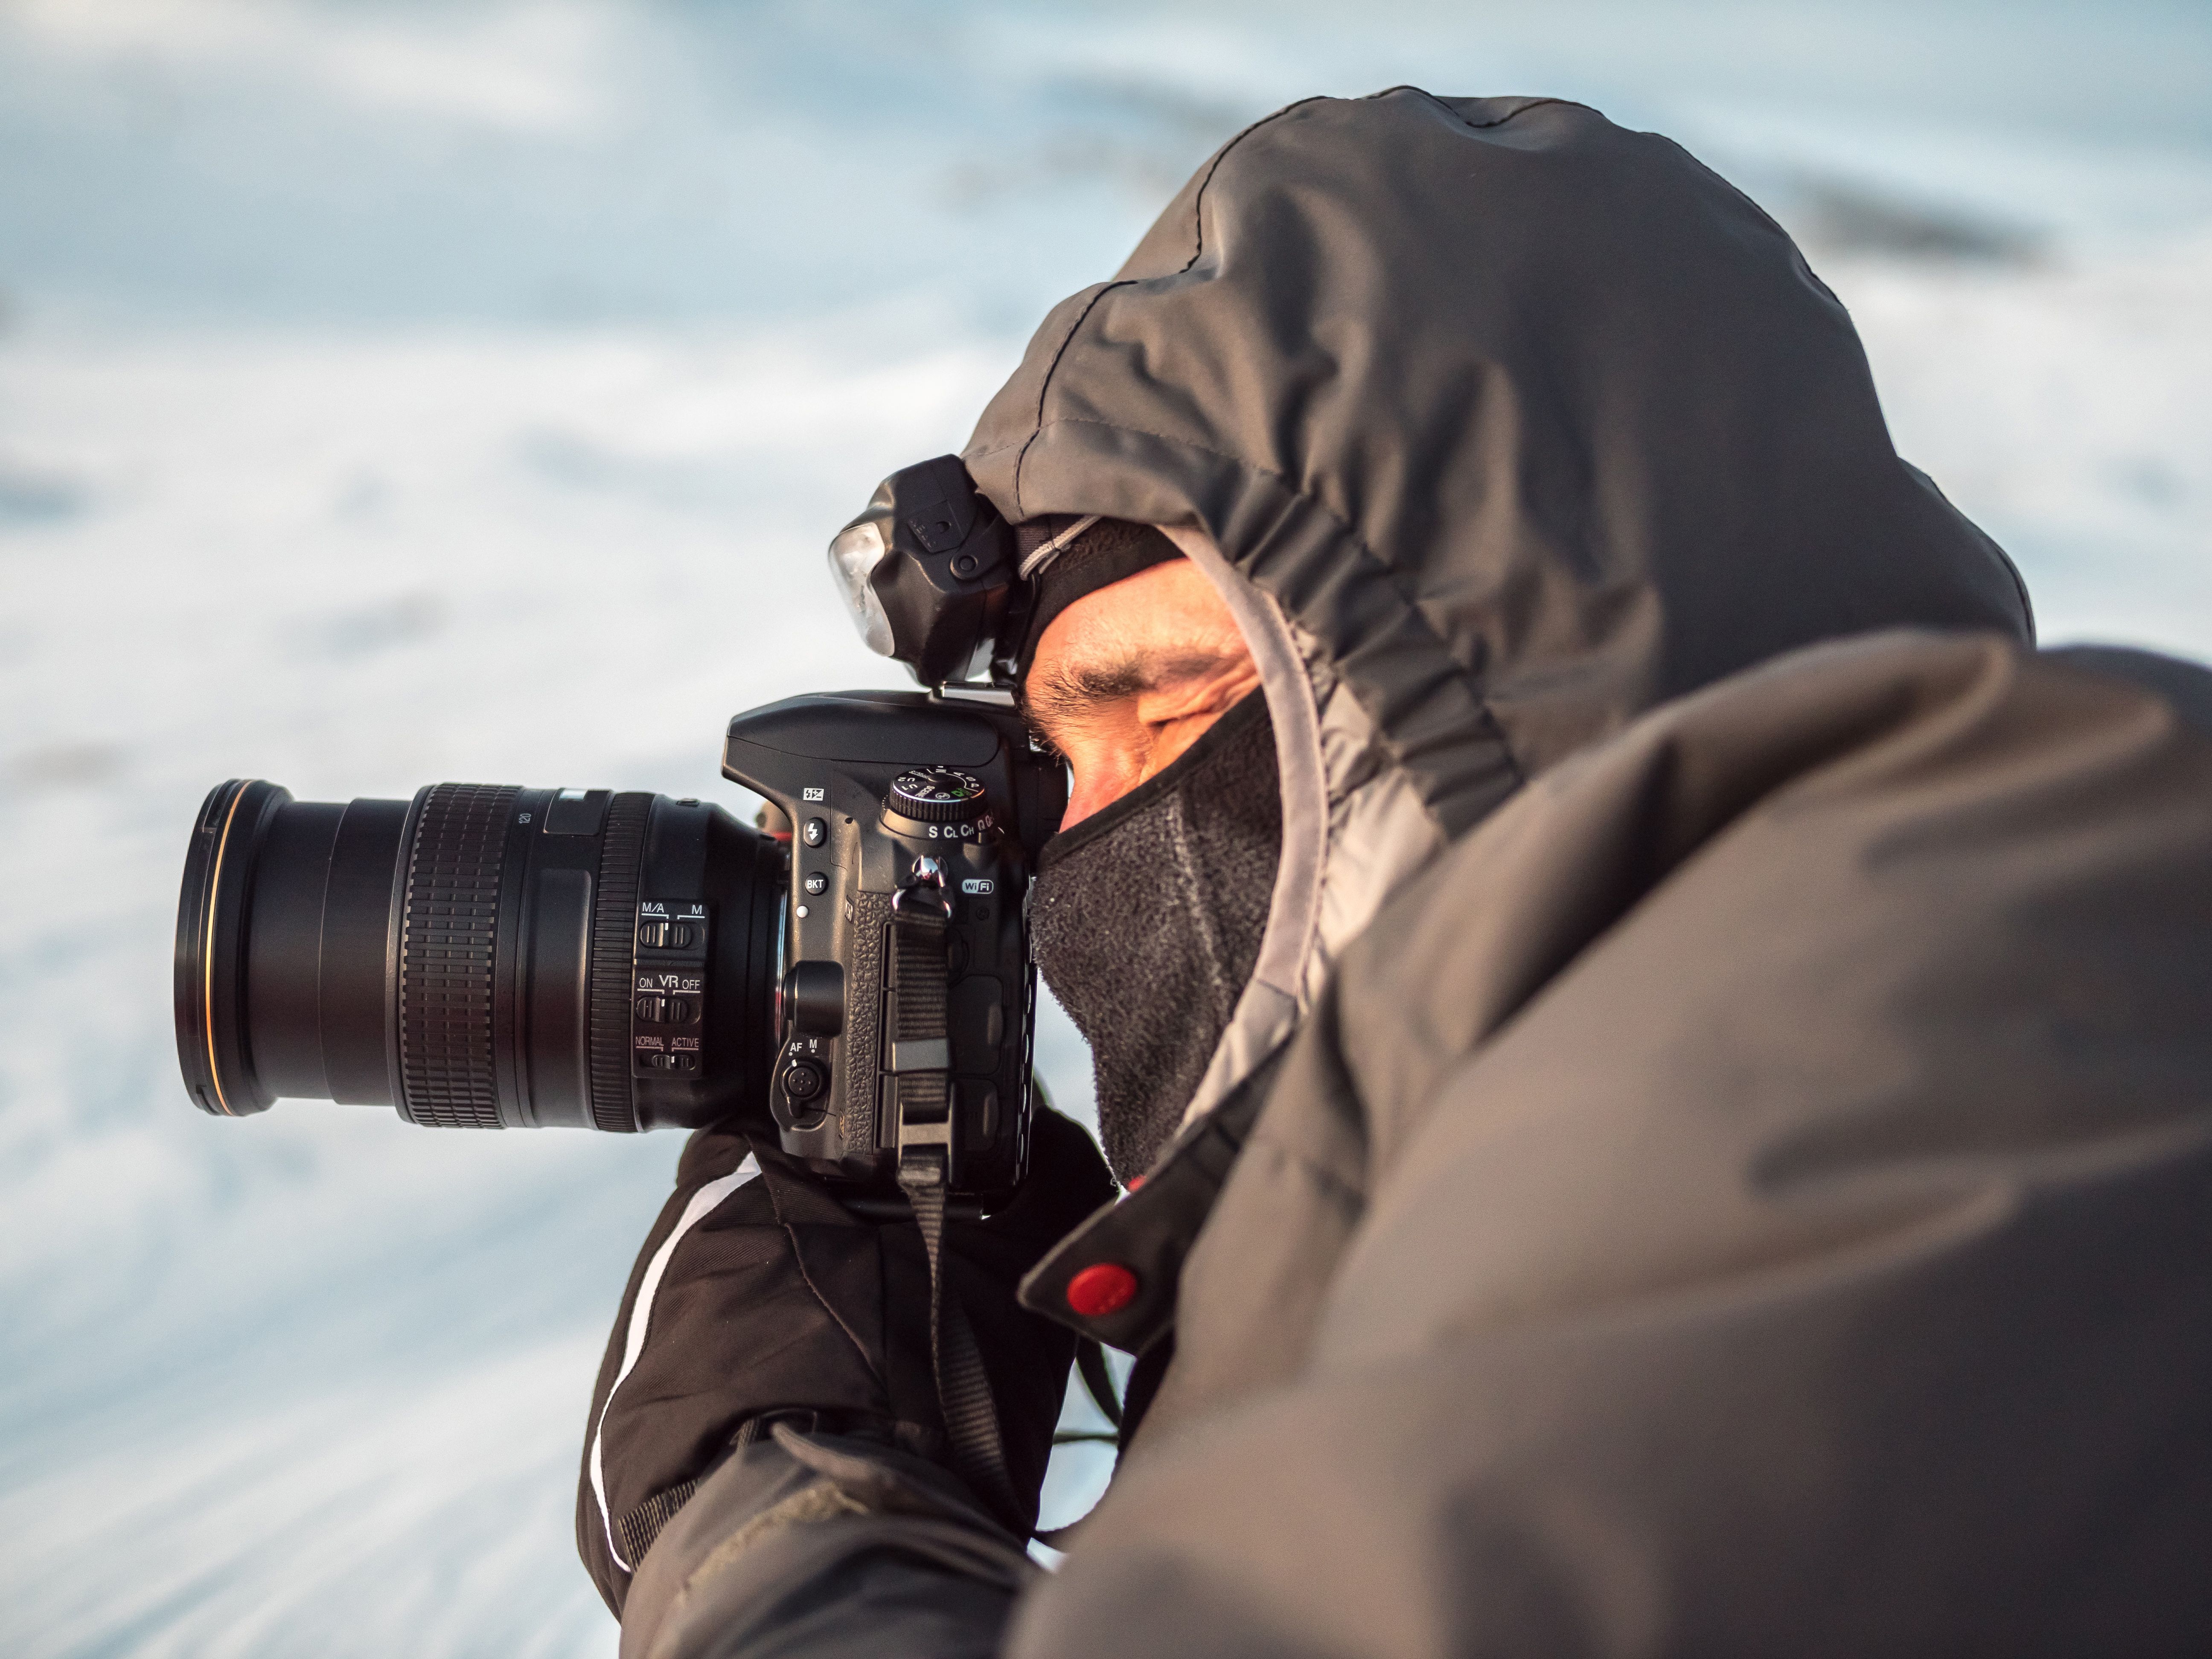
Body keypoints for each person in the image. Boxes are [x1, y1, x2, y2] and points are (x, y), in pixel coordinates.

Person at [579, 91, 2212, 1657]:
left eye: (1168, 704)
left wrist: (775, 1498)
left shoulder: (1869, 1093)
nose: (1079, 845)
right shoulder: (1620, 1111)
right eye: (1061, 760)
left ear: (1484, 652)